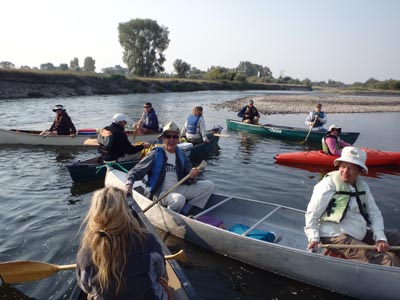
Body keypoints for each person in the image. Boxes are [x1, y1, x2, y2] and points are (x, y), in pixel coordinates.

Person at [304, 146, 400, 266]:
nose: (345, 171)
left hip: (358, 232)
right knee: (388, 260)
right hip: (334, 236)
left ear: (359, 171)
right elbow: (312, 214)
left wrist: (380, 238)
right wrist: (314, 238)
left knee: (397, 238)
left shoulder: (362, 186)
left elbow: (374, 213)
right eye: (342, 166)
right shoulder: (328, 184)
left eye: (351, 168)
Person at [76, 186, 168, 300]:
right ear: (125, 211)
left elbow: (85, 287)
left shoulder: (85, 253)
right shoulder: (147, 240)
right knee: (163, 282)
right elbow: (160, 271)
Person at [125, 121, 214, 213]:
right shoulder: (155, 154)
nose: (171, 140)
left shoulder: (182, 155)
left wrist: (192, 176)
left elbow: (189, 178)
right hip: (159, 193)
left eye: (175, 137)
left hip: (178, 189)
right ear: (163, 138)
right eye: (168, 136)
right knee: (179, 200)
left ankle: (187, 210)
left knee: (209, 185)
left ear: (178, 139)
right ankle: (170, 216)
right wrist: (129, 185)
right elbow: (135, 171)